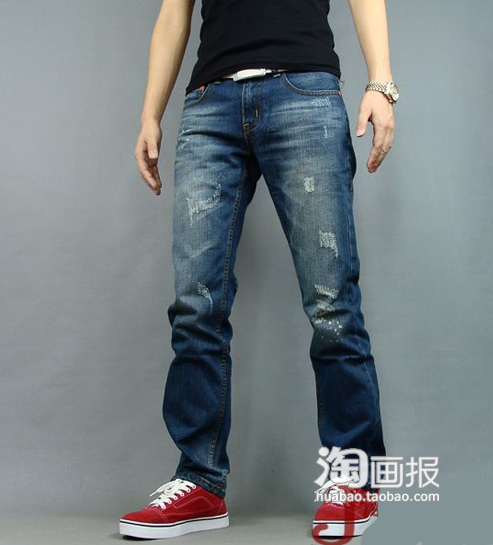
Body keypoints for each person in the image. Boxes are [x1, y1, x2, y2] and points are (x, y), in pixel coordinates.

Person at [119, 0, 398, 539]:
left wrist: (381, 84)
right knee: (195, 307)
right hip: (209, 106)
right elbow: (174, 13)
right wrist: (150, 113)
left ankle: (353, 481)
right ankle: (200, 481)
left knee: (332, 305)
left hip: (304, 93)